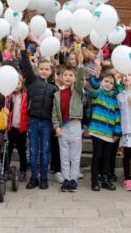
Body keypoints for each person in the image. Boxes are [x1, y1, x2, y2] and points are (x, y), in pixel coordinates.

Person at [19, 39, 57, 190]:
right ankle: (34, 177)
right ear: (37, 69)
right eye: (41, 68)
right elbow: (27, 66)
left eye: (47, 69)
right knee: (34, 149)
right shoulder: (32, 81)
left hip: (46, 123)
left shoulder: (54, 88)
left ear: (51, 72)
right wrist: (23, 50)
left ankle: (44, 178)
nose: (44, 71)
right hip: (33, 121)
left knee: (45, 150)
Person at [52, 46, 85, 193]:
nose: (68, 77)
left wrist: (80, 64)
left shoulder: (77, 91)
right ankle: (66, 179)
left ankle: (73, 180)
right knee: (64, 155)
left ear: (75, 78)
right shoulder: (57, 95)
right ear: (60, 77)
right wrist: (56, 126)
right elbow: (54, 113)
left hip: (75, 125)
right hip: (63, 127)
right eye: (65, 75)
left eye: (71, 75)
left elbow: (80, 80)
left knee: (75, 155)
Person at [87, 64, 121, 191]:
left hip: (109, 132)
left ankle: (105, 178)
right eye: (106, 81)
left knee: (107, 157)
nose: (108, 84)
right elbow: (94, 88)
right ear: (101, 82)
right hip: (97, 130)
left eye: (111, 83)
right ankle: (94, 180)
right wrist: (96, 77)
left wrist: (117, 131)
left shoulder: (114, 97)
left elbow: (117, 115)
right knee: (98, 155)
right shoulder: (98, 94)